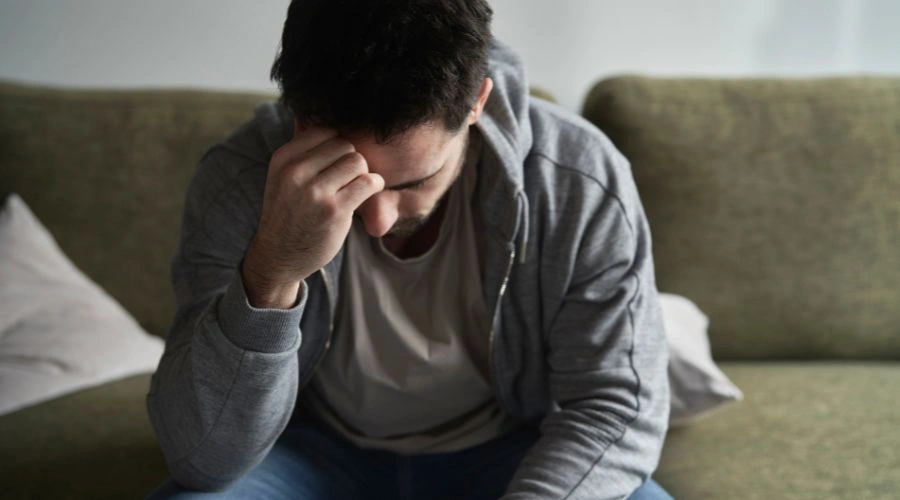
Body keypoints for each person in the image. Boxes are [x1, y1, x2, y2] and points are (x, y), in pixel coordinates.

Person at [146, 0, 672, 498]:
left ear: (476, 104)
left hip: (512, 448)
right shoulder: (239, 178)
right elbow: (205, 460)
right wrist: (272, 273)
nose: (377, 221)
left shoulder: (577, 178)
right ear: (299, 117)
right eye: (351, 178)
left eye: (412, 181)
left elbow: (613, 408)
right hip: (308, 454)